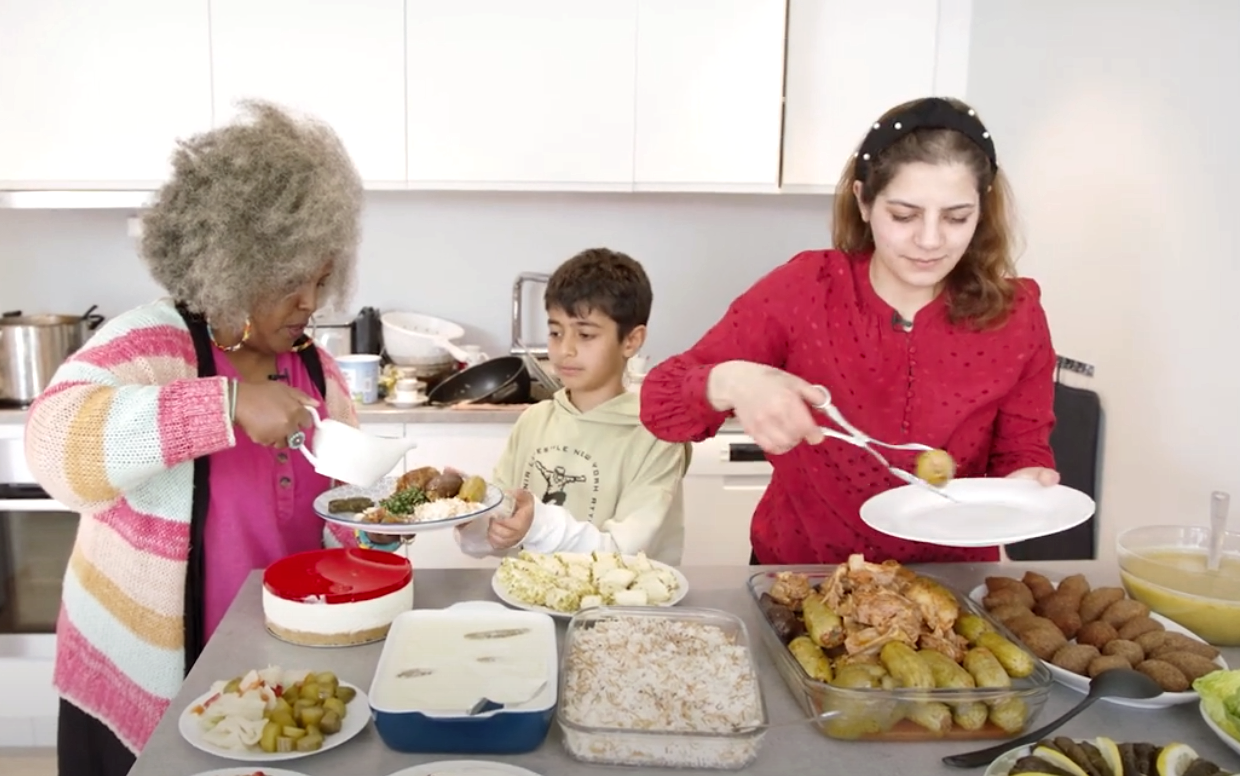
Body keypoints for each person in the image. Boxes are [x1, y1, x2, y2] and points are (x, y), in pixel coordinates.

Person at [24, 101, 368, 776]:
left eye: (321, 280)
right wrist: (228, 404)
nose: (309, 302)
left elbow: (347, 510)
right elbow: (52, 448)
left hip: (276, 676)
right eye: (289, 280)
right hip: (149, 687)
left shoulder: (315, 367)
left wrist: (384, 523)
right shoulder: (150, 342)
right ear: (234, 262)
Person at [639, 97, 1059, 566]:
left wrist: (1025, 483)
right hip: (801, 578)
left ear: (982, 210)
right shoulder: (804, 290)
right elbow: (659, 406)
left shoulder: (1018, 315)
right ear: (863, 200)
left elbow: (1021, 451)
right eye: (904, 215)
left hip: (950, 588)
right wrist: (733, 380)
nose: (930, 240)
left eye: (957, 217)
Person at [456, 248, 690, 564]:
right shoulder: (534, 421)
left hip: (621, 610)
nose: (565, 349)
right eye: (555, 332)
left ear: (631, 341)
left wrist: (535, 524)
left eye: (585, 334)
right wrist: (474, 520)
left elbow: (626, 554)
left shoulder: (656, 437)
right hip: (530, 604)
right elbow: (500, 530)